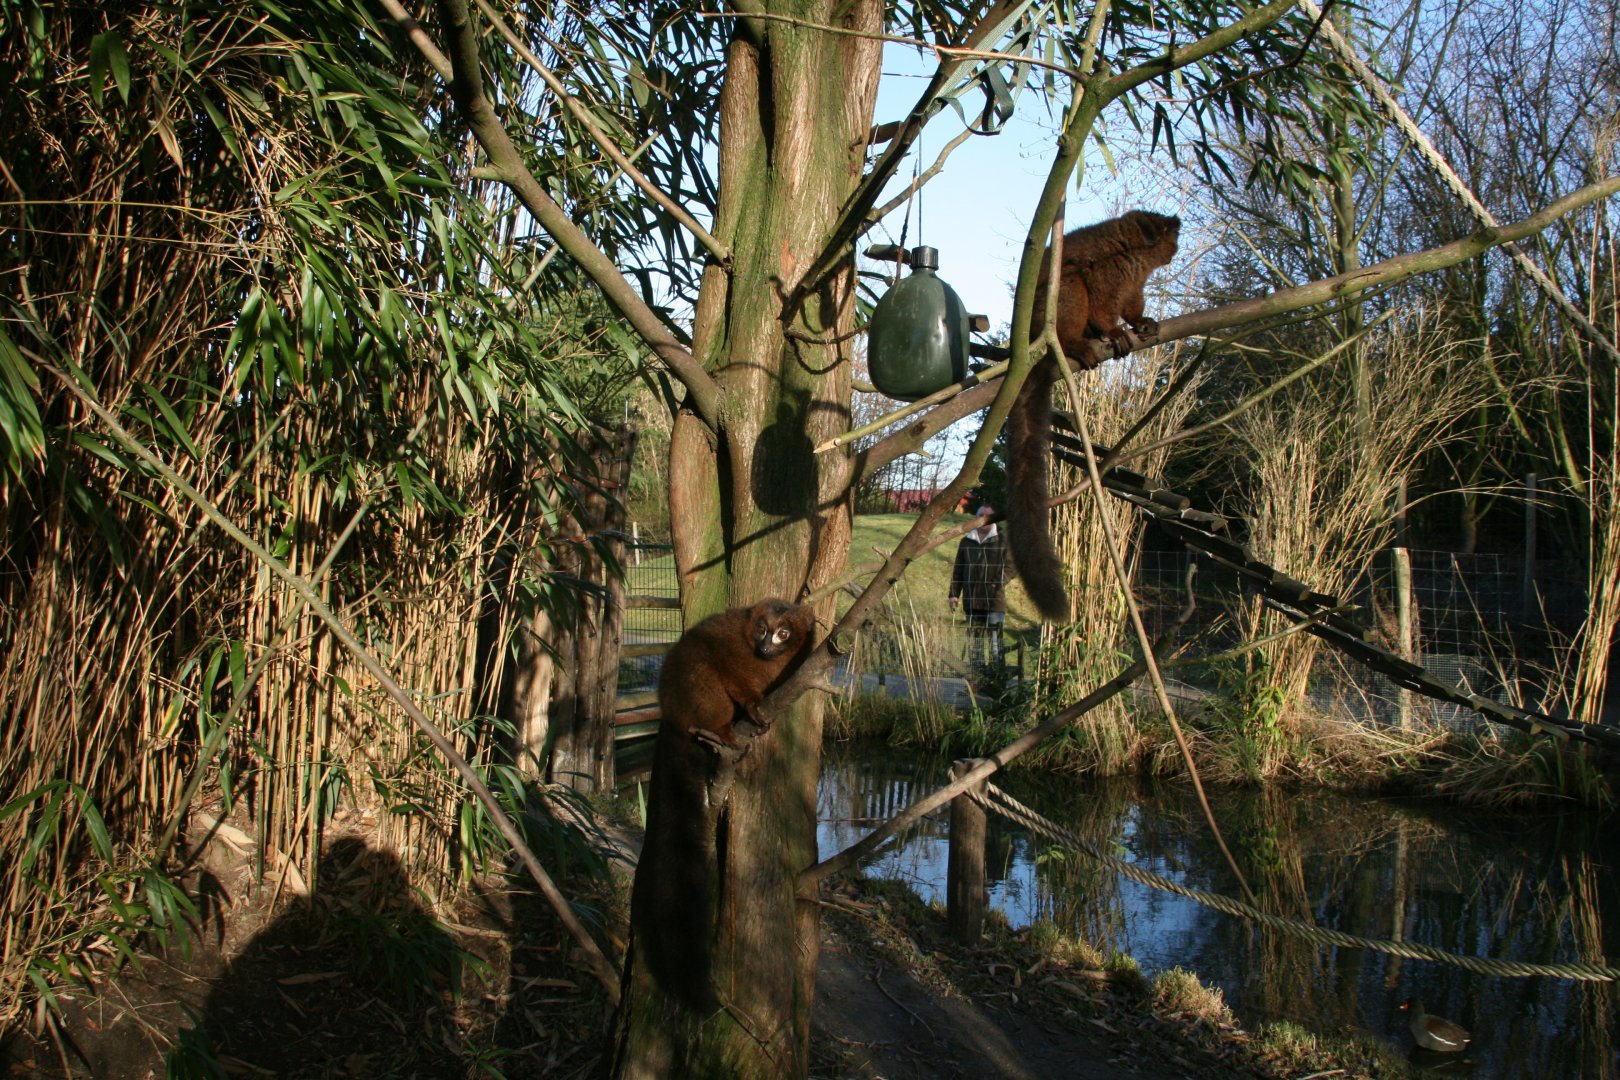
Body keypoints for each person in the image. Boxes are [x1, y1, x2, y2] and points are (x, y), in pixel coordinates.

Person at [948, 506, 1009, 667]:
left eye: (988, 515)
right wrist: (954, 594)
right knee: (975, 645)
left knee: (995, 645)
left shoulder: (1003, 540)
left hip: (994, 601)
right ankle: (977, 682)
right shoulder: (966, 541)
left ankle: (997, 682)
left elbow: (1012, 566)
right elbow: (958, 569)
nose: (984, 518)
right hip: (972, 601)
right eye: (981, 515)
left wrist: (998, 582)